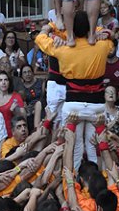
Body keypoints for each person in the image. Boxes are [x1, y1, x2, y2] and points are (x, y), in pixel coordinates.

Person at [36, 10, 113, 168]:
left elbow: (39, 38)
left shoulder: (63, 48)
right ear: (89, 28)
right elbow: (111, 36)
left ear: (70, 28)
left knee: (74, 149)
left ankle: (74, 183)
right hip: (96, 106)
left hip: (73, 107)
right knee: (94, 148)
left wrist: (51, 26)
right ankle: (97, 182)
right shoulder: (102, 45)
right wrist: (100, 32)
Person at [0, 71, 25, 137]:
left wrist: (15, 112)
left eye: (6, 80)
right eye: (0, 80)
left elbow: (23, 118)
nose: (3, 82)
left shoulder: (16, 96)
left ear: (9, 82)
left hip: (13, 134)